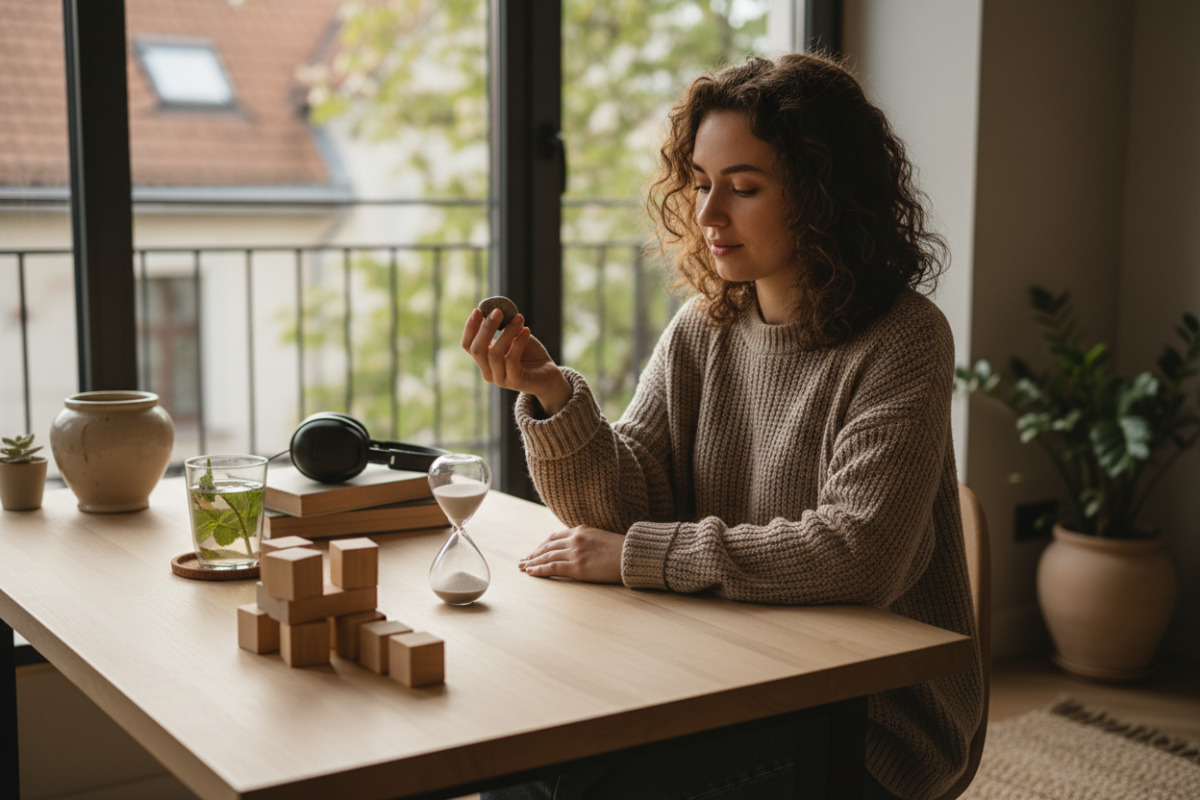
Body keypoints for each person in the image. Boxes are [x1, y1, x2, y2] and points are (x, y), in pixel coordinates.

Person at [462, 52, 983, 800]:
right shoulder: (706, 327)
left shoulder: (904, 337)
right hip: (725, 667)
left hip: (865, 718)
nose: (707, 215)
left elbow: (858, 556)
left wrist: (637, 555)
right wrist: (550, 394)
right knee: (515, 765)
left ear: (824, 195)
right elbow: (622, 500)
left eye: (742, 188)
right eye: (702, 184)